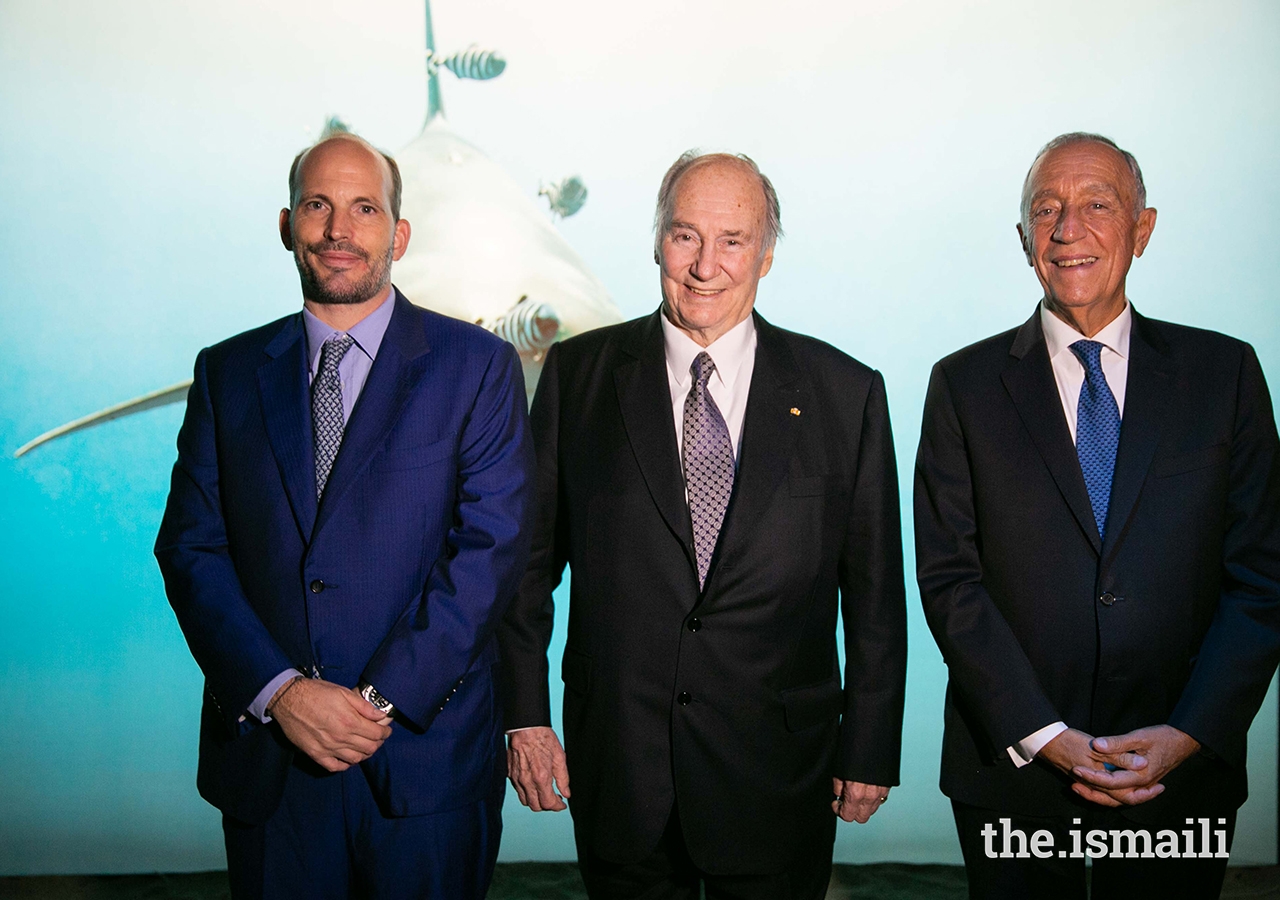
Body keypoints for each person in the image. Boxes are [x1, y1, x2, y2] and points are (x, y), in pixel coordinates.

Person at [498, 150, 908, 899]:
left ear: (767, 254)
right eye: (686, 236)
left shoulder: (846, 394)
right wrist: (524, 716)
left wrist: (873, 746)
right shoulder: (577, 377)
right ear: (657, 241)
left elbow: (876, 600)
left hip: (781, 772)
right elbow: (525, 572)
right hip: (621, 770)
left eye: (733, 241)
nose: (705, 266)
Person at [154, 132, 534, 899]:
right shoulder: (226, 372)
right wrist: (281, 692)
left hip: (422, 763)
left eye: (365, 209)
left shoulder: (479, 366)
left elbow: (489, 553)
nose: (339, 230)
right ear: (288, 224)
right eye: (318, 205)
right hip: (272, 761)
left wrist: (377, 701)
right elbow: (191, 550)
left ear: (398, 234)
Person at [914, 132, 1280, 899]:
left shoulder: (1227, 376)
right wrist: (1046, 737)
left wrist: (1187, 734)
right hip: (1011, 771)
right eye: (1045, 210)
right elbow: (951, 583)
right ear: (1023, 241)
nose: (1067, 229)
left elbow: (1264, 578)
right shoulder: (963, 386)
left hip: (1177, 773)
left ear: (1143, 229)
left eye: (1096, 206)